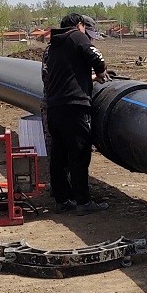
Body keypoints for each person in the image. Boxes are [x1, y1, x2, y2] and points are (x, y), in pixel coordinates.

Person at [43, 13, 109, 214]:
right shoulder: (76, 36)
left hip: (54, 107)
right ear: (79, 25)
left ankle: (62, 200)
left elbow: (58, 74)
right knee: (79, 153)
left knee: (59, 155)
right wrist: (100, 72)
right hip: (74, 106)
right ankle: (83, 202)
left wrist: (88, 78)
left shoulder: (53, 45)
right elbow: (96, 56)